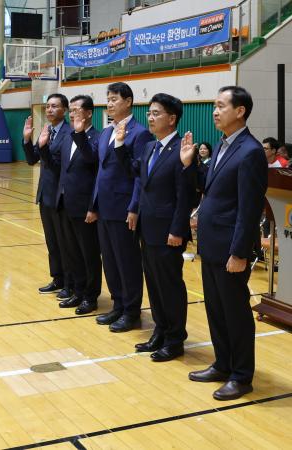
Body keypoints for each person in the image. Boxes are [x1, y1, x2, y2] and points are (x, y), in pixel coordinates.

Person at [181, 86, 267, 401]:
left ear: (240, 111)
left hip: (231, 248)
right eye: (215, 106)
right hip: (212, 243)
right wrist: (191, 164)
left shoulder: (251, 151)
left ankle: (242, 376)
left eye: (220, 106)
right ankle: (222, 363)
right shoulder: (222, 145)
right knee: (216, 309)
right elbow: (209, 187)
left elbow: (249, 207)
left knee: (236, 313)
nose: (215, 112)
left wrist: (240, 252)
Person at [115, 93, 196, 361]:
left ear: (172, 119)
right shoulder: (150, 146)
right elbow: (136, 176)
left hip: (168, 232)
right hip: (148, 229)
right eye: (149, 113)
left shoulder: (182, 151)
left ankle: (175, 339)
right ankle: (160, 331)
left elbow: (185, 196)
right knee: (154, 283)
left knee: (170, 286)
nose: (150, 117)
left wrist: (177, 230)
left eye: (156, 113)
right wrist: (120, 146)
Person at [80, 82, 154, 332]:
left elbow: (139, 175)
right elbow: (101, 172)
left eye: (114, 99)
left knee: (127, 262)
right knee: (110, 260)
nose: (110, 104)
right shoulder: (105, 132)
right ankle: (118, 305)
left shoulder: (139, 133)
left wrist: (134, 207)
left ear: (129, 101)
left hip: (124, 208)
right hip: (105, 207)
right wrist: (94, 205)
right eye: (108, 99)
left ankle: (132, 311)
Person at [43, 95, 103, 315]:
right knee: (71, 252)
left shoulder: (97, 137)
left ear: (88, 113)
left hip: (84, 206)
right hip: (65, 202)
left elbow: (94, 166)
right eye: (72, 110)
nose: (73, 113)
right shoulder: (68, 137)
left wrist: (93, 206)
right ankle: (77, 290)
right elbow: (59, 167)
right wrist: (42, 148)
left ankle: (90, 296)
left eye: (78, 109)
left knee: (89, 253)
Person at [22, 94, 72, 300]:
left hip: (60, 197)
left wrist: (43, 148)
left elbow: (59, 166)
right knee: (52, 242)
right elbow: (32, 160)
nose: (49, 110)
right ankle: (58, 278)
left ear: (65, 110)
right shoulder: (47, 131)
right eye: (48, 106)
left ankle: (70, 283)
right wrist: (27, 139)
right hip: (45, 195)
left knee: (64, 243)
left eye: (54, 106)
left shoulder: (69, 134)